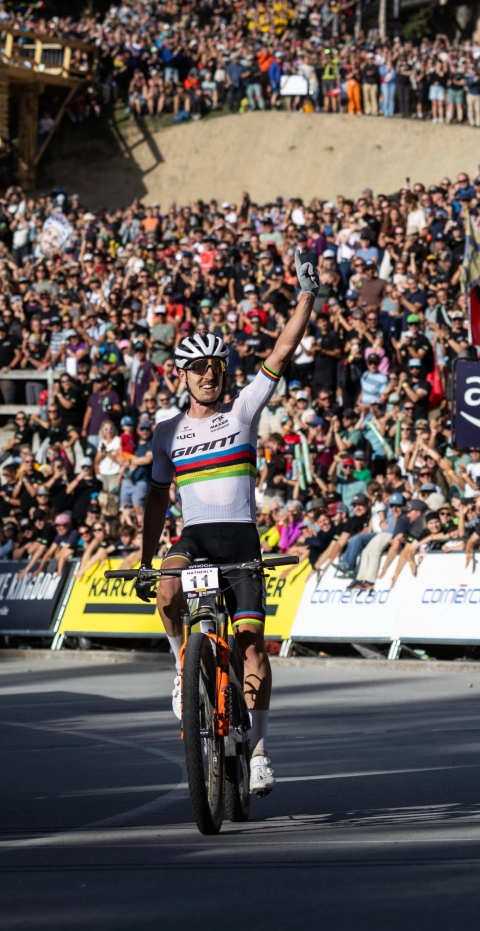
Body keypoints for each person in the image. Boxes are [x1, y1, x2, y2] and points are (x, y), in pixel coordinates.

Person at [136, 251, 320, 797]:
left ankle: (258, 753)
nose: (208, 374)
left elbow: (282, 350)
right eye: (197, 367)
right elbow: (156, 500)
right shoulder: (166, 431)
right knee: (167, 592)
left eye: (215, 366)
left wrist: (307, 295)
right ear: (182, 375)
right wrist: (145, 560)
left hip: (240, 539)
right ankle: (182, 668)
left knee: (252, 646)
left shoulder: (242, 410)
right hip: (194, 539)